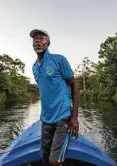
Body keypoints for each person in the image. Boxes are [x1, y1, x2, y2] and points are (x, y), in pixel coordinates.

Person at [30, 29, 79, 166]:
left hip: (62, 116)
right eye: (35, 39)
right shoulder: (34, 67)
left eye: (41, 38)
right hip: (46, 119)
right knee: (44, 157)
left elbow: (74, 84)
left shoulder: (59, 60)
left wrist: (74, 117)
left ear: (48, 43)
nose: (37, 41)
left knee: (54, 160)